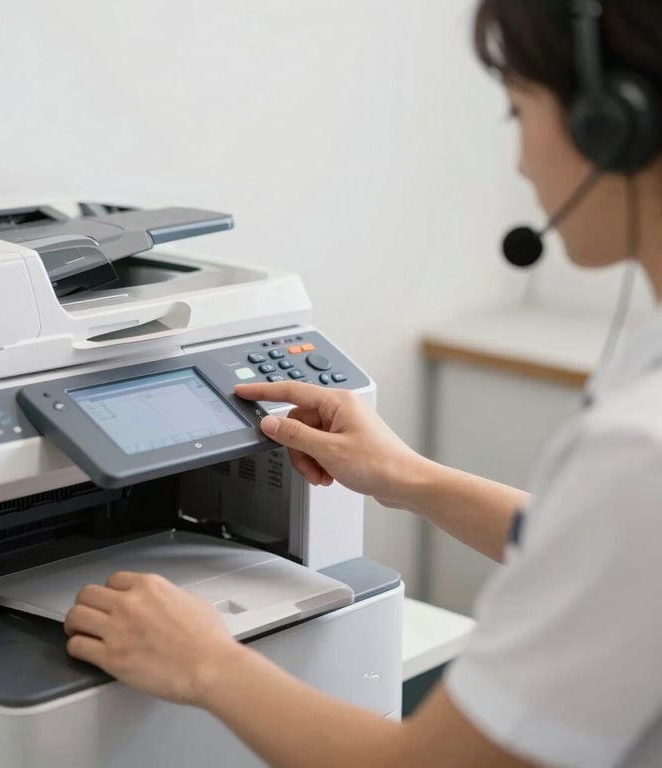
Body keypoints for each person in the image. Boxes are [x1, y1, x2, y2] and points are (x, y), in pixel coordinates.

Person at [63, 1, 662, 766]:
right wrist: (405, 477)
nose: (517, 161)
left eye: (518, 111)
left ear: (612, 123)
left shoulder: (640, 452)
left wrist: (203, 662)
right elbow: (600, 555)